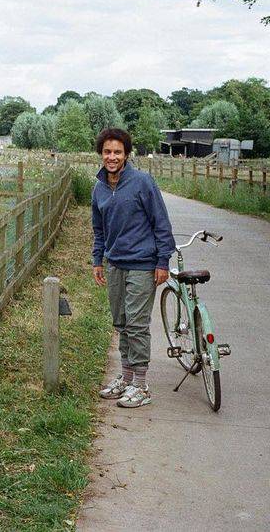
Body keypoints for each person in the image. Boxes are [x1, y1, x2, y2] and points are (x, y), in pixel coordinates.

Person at [90, 128, 175, 408]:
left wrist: (162, 261)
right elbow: (99, 229)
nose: (111, 157)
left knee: (137, 325)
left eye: (117, 152)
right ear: (101, 154)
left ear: (126, 154)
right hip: (115, 265)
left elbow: (161, 223)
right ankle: (126, 379)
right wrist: (97, 260)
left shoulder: (142, 183)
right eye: (107, 152)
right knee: (121, 323)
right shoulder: (99, 188)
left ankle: (141, 385)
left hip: (142, 264)